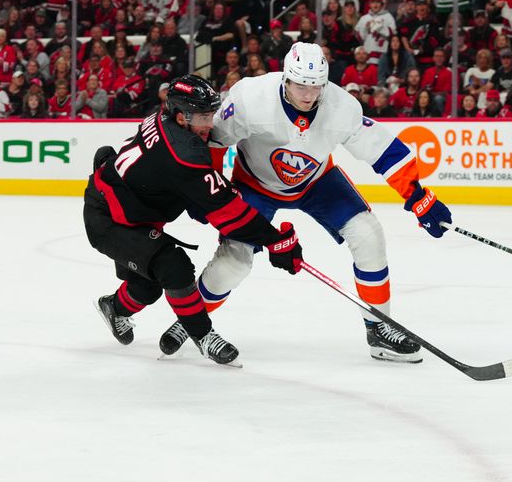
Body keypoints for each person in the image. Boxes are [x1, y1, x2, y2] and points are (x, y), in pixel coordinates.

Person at [158, 43, 452, 363]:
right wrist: (208, 192)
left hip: (317, 182)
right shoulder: (250, 98)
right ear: (285, 79)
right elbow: (213, 141)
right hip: (255, 184)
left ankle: (379, 329)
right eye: (301, 85)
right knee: (234, 263)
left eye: (316, 86)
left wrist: (418, 195)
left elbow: (381, 149)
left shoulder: (341, 106)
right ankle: (191, 321)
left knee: (369, 235)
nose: (309, 95)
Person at [83, 74, 304, 366]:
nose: (210, 124)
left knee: (148, 286)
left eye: (211, 114)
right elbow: (228, 212)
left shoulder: (166, 122)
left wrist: (208, 194)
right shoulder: (182, 153)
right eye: (203, 116)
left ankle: (114, 307)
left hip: (125, 207)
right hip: (110, 220)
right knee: (173, 266)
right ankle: (204, 336)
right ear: (180, 115)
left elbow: (196, 194)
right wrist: (276, 240)